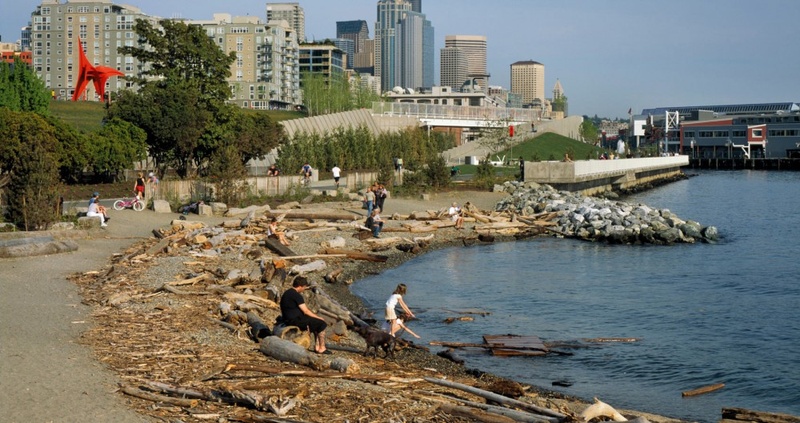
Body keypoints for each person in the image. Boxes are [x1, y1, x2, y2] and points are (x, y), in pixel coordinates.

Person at [279, 277, 329, 354]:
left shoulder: (287, 293)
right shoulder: (296, 295)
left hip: (287, 319)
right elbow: (305, 311)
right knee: (322, 323)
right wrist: (318, 317)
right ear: (300, 286)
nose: (304, 289)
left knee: (316, 323)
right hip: (295, 320)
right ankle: (322, 348)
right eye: (304, 287)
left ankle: (317, 347)